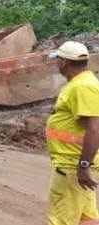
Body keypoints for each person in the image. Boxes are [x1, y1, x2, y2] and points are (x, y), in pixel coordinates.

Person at [45, 41, 99, 225]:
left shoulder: (82, 87)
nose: (56, 64)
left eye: (57, 60)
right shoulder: (81, 84)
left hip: (71, 167)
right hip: (75, 167)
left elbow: (94, 128)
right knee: (87, 219)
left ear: (64, 63)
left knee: (60, 220)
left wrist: (83, 166)